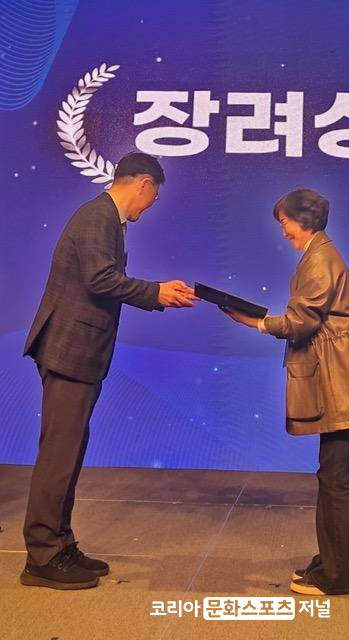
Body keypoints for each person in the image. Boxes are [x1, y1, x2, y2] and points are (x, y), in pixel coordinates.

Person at [21, 152, 198, 590]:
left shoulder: (107, 219)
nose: (150, 207)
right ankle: (42, 556)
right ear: (143, 184)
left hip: (80, 354)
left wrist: (156, 292)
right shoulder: (98, 216)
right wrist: (155, 292)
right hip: (68, 351)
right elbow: (99, 279)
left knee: (69, 453)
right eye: (153, 197)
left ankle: (61, 544)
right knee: (58, 456)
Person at [223, 188, 349, 596]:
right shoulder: (320, 256)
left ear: (304, 219)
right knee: (331, 474)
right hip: (341, 378)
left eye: (285, 223)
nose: (284, 232)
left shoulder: (320, 260)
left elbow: (300, 322)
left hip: (340, 381)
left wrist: (255, 322)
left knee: (333, 477)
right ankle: (331, 562)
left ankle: (338, 576)